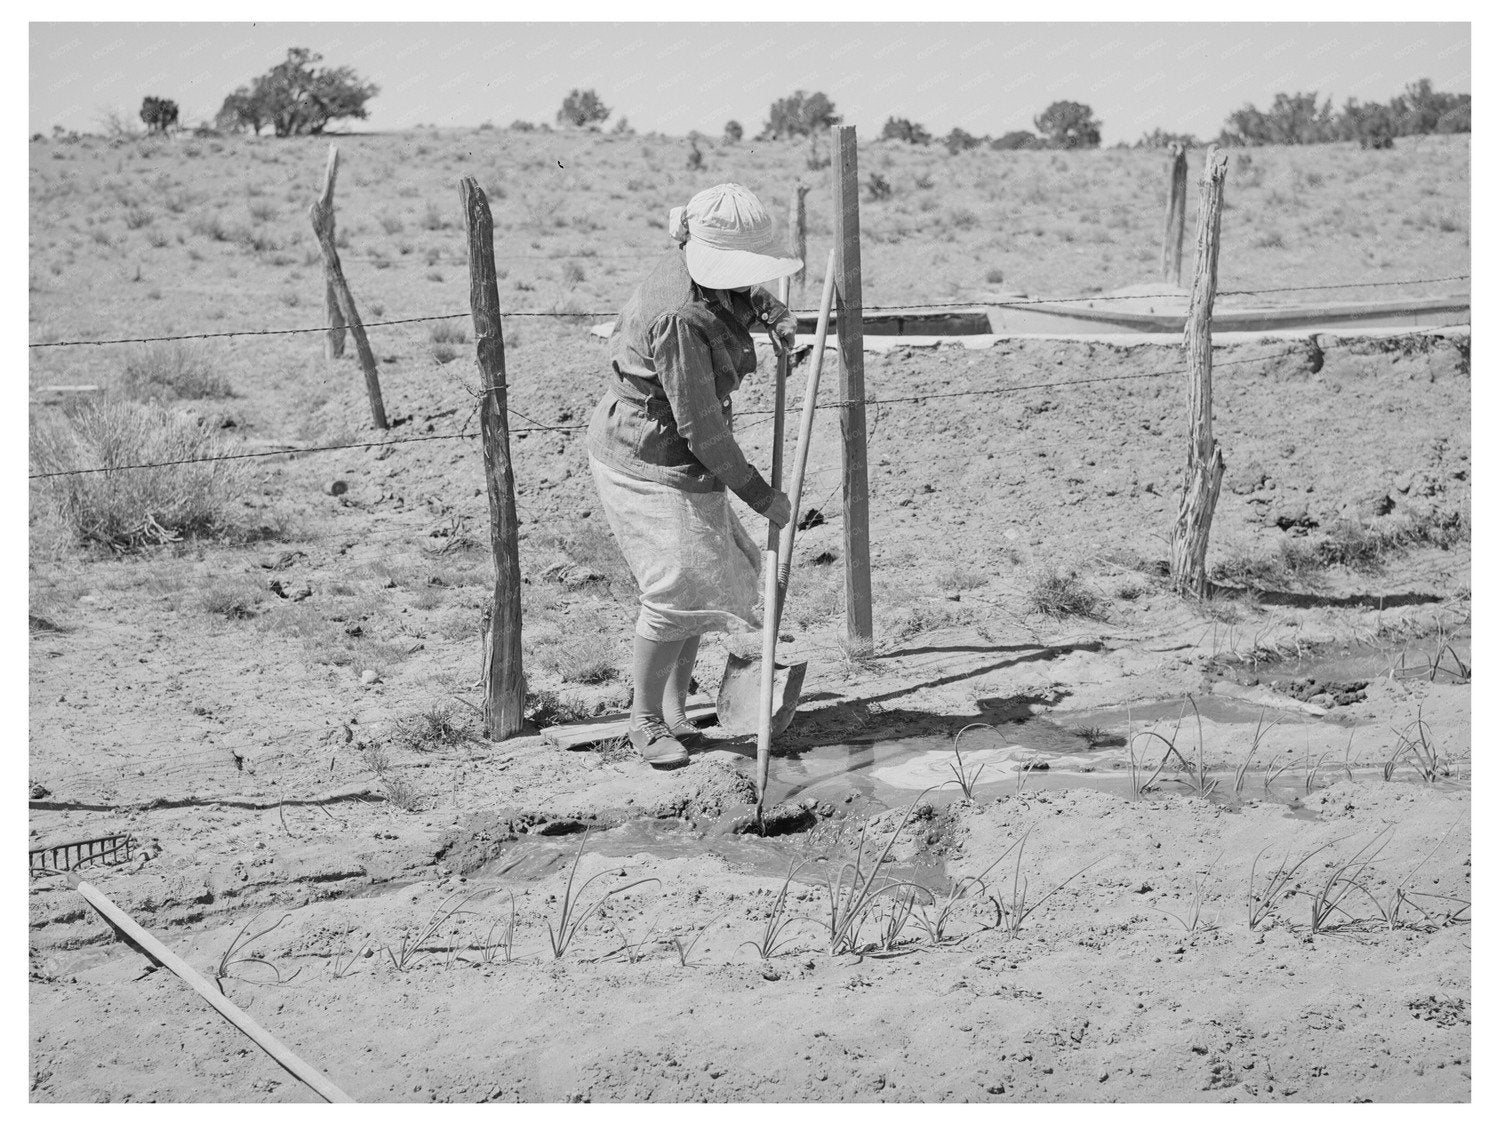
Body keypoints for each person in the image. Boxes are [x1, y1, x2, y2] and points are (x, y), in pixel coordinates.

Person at [587, 183, 800, 769]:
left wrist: (773, 314)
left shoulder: (702, 271)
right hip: (648, 456)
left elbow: (742, 292)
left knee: (706, 576)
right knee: (677, 582)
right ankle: (646, 721)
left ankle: (677, 711)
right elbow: (702, 431)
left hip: (681, 450)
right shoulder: (680, 315)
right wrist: (761, 495)